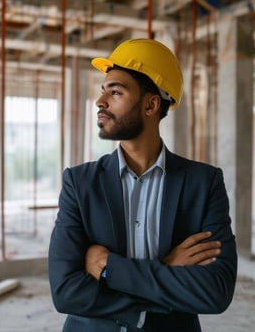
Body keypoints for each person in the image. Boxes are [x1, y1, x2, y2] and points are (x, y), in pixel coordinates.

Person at [48, 38, 237, 331]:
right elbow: (65, 292)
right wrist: (167, 270)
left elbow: (216, 291)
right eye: (103, 91)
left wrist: (110, 268)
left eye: (116, 92)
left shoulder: (204, 183)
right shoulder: (79, 183)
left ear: (150, 104)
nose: (101, 101)